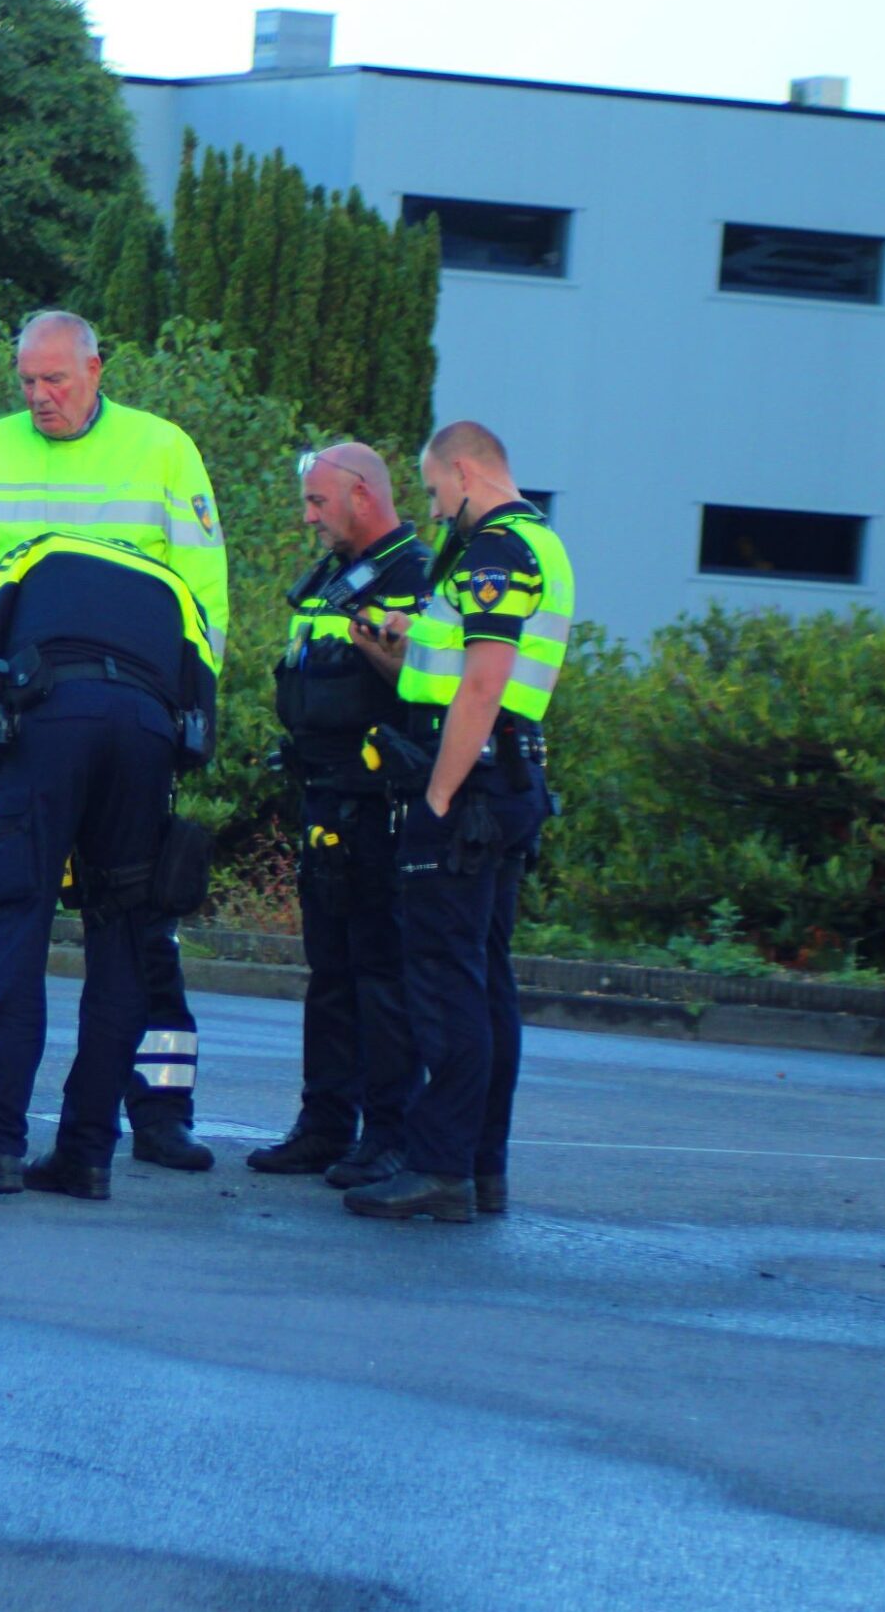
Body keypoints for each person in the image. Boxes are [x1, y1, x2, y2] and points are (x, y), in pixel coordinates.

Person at [0, 311, 228, 1171]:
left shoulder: (162, 449)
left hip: (108, 727)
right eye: (27, 381)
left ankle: (153, 1113)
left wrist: (194, 717)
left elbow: (206, 599)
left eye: (55, 380)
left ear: (97, 369)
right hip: (9, 729)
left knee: (126, 935)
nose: (39, 397)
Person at [0, 528, 221, 1198]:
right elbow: (204, 714)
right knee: (124, 939)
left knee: (15, 921)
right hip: (146, 733)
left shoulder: (37, 550)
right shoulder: (175, 589)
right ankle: (87, 1154)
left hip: (51, 716)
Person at [343, 421, 574, 1222]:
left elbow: (480, 687)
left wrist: (438, 797)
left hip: (471, 786)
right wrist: (391, 643)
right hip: (506, 778)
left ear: (467, 472)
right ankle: (479, 1165)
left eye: (437, 492)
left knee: (444, 980)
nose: (436, 512)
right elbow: (448, 670)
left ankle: (441, 1166)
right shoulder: (534, 545)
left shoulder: (497, 551)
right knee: (484, 978)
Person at [246, 443, 432, 1186]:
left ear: (362, 494)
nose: (309, 517)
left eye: (319, 502)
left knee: (381, 974)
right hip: (325, 797)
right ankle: (325, 1124)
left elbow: (423, 684)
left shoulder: (414, 575)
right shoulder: (333, 578)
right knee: (329, 971)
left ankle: (388, 1134)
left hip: (378, 804)